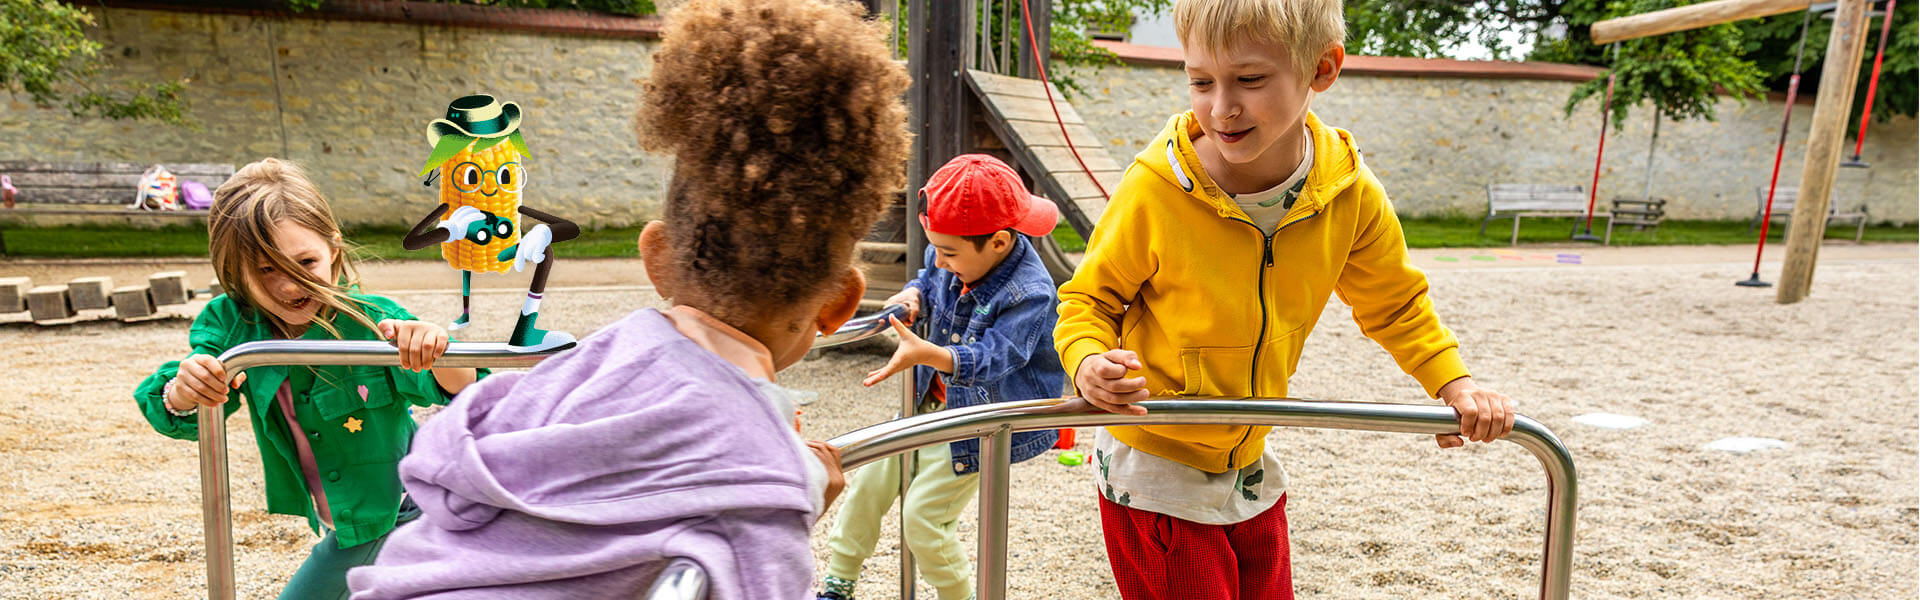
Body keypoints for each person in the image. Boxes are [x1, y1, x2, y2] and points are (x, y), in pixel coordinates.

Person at [345, 0, 912, 597]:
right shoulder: (760, 481)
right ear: (840, 303)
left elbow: (457, 464)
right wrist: (792, 492)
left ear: (656, 257)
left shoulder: (576, 369)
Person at [1053, 1, 1518, 598]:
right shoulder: (1155, 189)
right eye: (1201, 81)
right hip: (1156, 458)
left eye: (1249, 79)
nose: (1222, 106)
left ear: (1322, 69)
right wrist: (1089, 361)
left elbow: (1395, 303)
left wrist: (1453, 384)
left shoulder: (1346, 193)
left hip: (1250, 455)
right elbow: (1089, 299)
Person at [133, 157, 481, 600]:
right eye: (264, 269)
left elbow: (466, 387)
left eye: (305, 262)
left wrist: (433, 346)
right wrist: (183, 390)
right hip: (345, 507)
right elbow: (176, 407)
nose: (288, 285)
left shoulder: (374, 323)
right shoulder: (232, 325)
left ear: (333, 250)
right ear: (233, 270)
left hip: (399, 504)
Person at [818, 154, 1066, 600]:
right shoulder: (952, 251)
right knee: (869, 485)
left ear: (999, 242)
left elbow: (999, 356)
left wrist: (930, 353)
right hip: (927, 404)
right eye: (937, 248)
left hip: (976, 421)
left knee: (923, 520)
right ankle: (838, 581)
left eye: (950, 253)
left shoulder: (1030, 292)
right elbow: (931, 274)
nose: (941, 260)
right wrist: (915, 292)